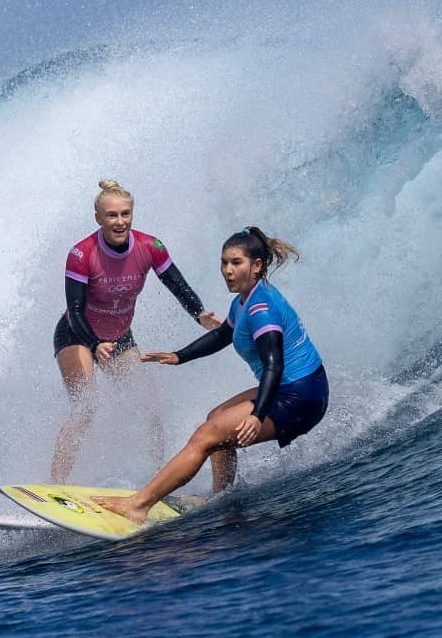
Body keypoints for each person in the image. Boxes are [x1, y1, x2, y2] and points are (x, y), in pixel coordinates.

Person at [93, 226, 328, 523]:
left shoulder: (261, 309)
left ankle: (139, 504)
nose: (227, 271)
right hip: (295, 386)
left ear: (257, 266)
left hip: (301, 395)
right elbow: (222, 335)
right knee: (214, 419)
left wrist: (257, 415)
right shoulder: (244, 300)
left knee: (206, 436)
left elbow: (274, 365)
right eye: (224, 262)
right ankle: (223, 497)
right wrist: (180, 356)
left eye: (236, 263)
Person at [51, 179, 220, 483]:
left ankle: (157, 481)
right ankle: (56, 487)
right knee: (86, 406)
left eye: (125, 214)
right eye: (112, 215)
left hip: (119, 339)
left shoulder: (149, 247)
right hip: (77, 334)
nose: (120, 222)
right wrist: (94, 343)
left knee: (150, 407)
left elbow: (176, 285)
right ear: (99, 218)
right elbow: (75, 311)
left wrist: (199, 314)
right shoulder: (81, 253)